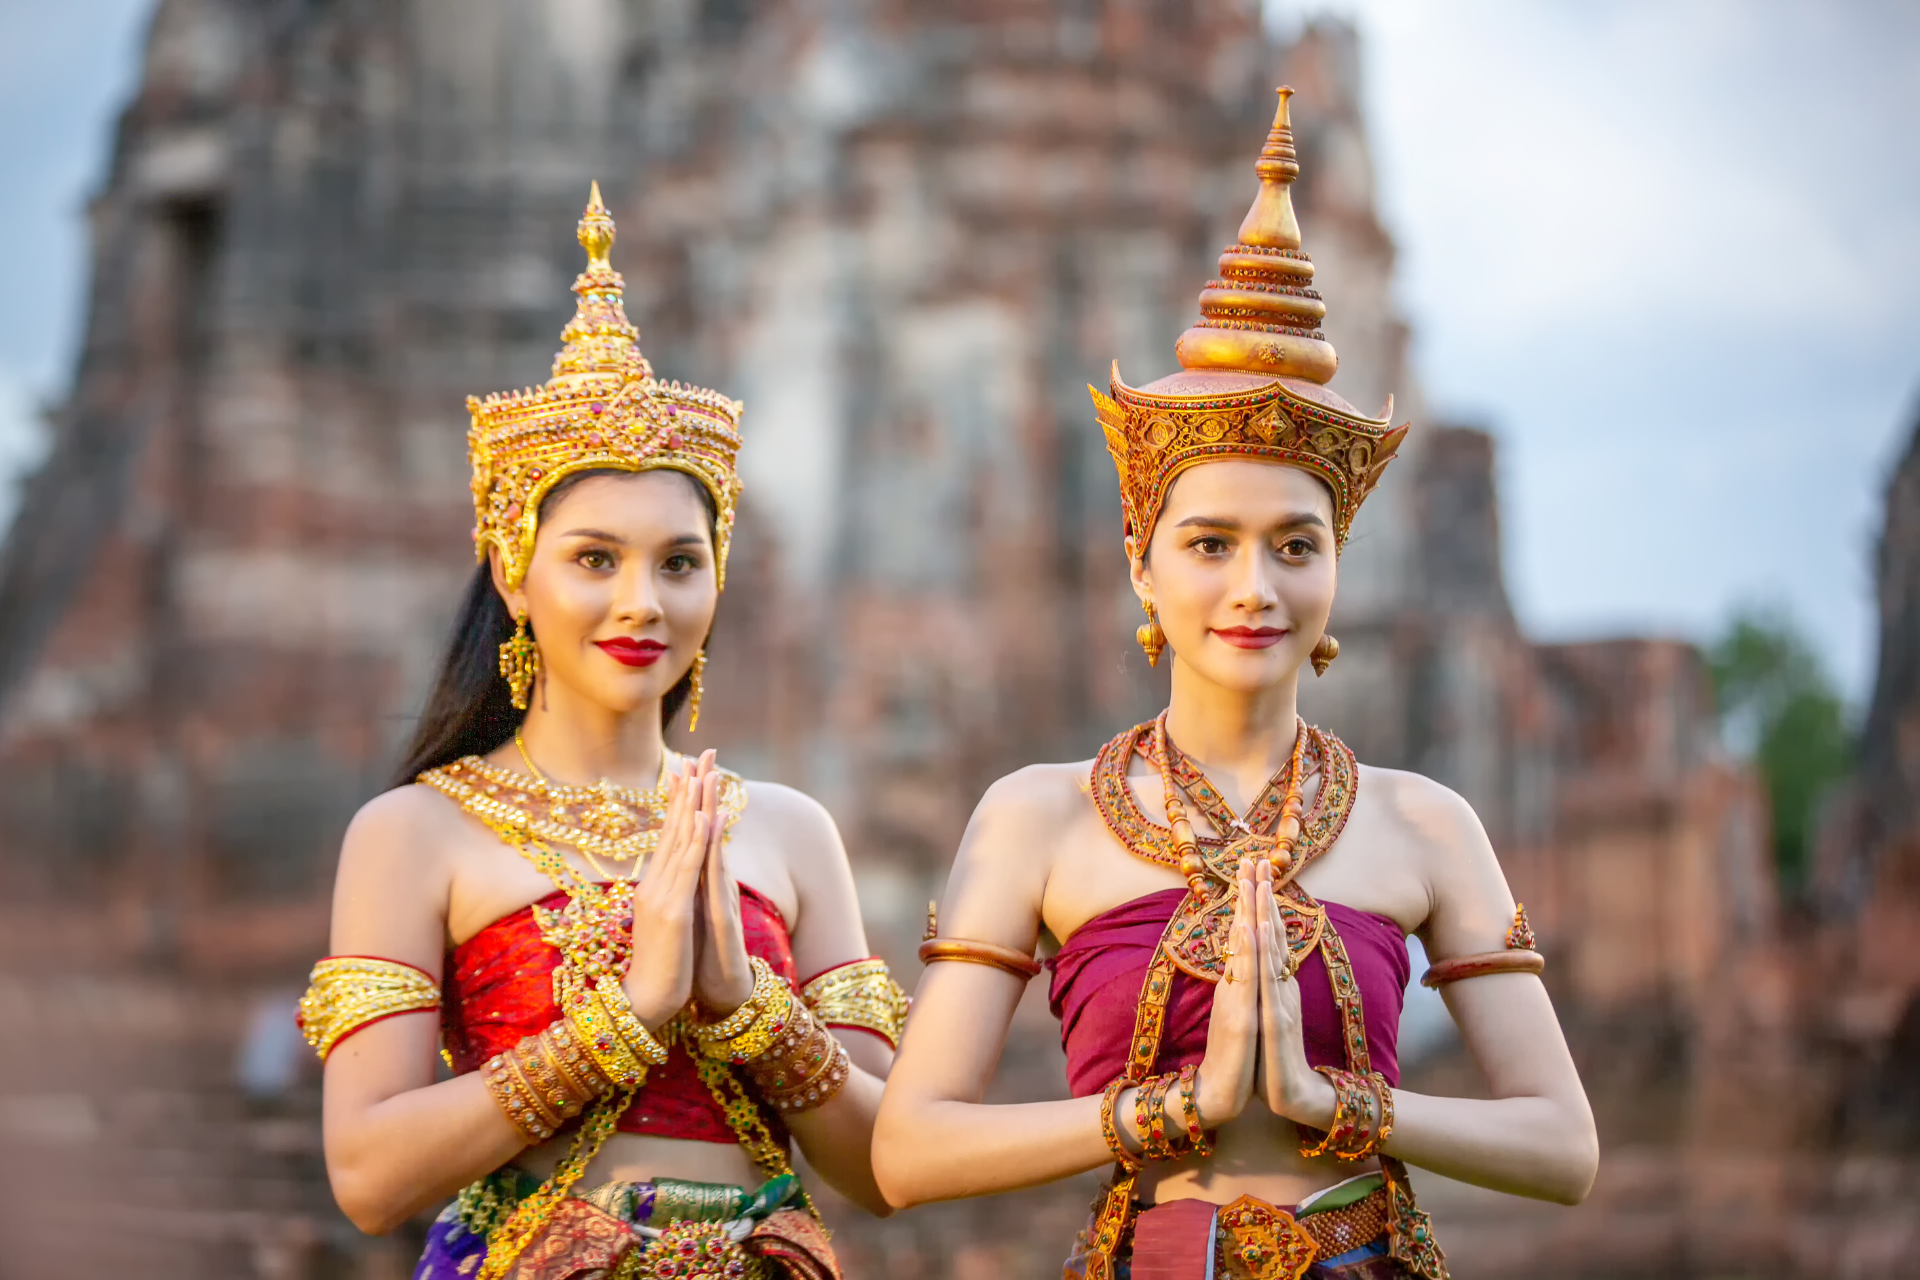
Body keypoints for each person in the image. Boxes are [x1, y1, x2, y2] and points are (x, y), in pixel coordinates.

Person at [871, 90, 1598, 1279]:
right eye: (1209, 543)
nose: (1254, 585)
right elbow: (908, 1149)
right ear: (1141, 567)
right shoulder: (1038, 816)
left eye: (1295, 545)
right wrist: (1161, 1113)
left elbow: (1563, 1145)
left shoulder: (1423, 821)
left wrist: (1335, 1101)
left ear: (1336, 569)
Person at [295, 186, 904, 1280]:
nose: (644, 603)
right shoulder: (416, 833)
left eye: (680, 561)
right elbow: (368, 1172)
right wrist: (623, 1018)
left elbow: (880, 1171)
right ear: (513, 574)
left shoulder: (790, 833)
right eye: (594, 559)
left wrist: (748, 1011)